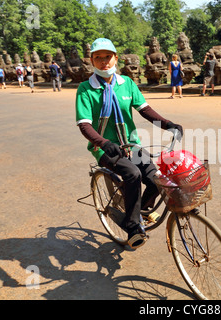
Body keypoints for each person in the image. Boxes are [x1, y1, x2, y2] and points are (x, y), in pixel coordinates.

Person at [75, 38, 183, 249]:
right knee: (132, 174)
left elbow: (145, 110)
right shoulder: (86, 89)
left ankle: (138, 210)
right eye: (98, 57)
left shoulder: (127, 84)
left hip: (131, 144)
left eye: (108, 56)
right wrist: (104, 143)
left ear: (115, 58)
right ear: (92, 61)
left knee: (155, 179)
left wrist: (169, 124)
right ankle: (133, 226)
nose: (104, 61)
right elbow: (84, 125)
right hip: (104, 148)